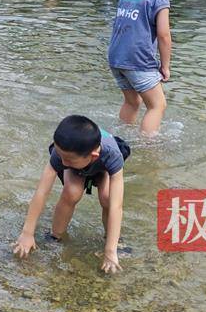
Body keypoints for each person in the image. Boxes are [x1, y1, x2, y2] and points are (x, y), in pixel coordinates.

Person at [12, 115, 130, 275]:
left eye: (67, 159)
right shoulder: (62, 155)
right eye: (60, 155)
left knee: (107, 197)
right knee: (72, 192)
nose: (62, 161)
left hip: (102, 168)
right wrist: (27, 233)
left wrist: (110, 251)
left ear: (93, 156)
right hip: (78, 166)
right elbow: (41, 192)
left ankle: (112, 240)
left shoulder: (112, 155)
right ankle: (55, 237)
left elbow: (117, 206)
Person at [107, 0, 190, 136]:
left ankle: (120, 138)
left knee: (132, 102)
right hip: (138, 60)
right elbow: (164, 35)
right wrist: (165, 66)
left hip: (116, 57)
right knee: (157, 105)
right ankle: (148, 148)